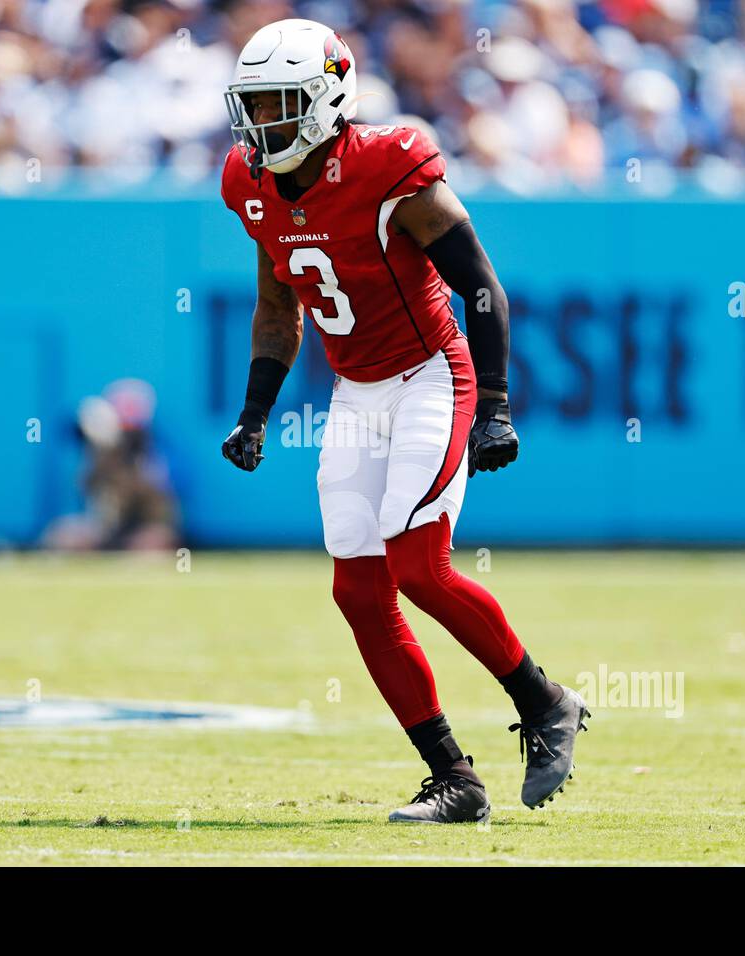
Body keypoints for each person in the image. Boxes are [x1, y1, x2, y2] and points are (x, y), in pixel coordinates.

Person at [218, 19, 589, 824]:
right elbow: (278, 306)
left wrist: (493, 404)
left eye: (280, 104)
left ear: (325, 98)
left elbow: (482, 286)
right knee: (359, 590)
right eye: (253, 106)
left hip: (431, 375)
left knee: (418, 566)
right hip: (356, 390)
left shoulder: (392, 166)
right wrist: (255, 413)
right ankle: (454, 778)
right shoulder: (246, 181)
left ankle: (545, 701)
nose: (263, 125)